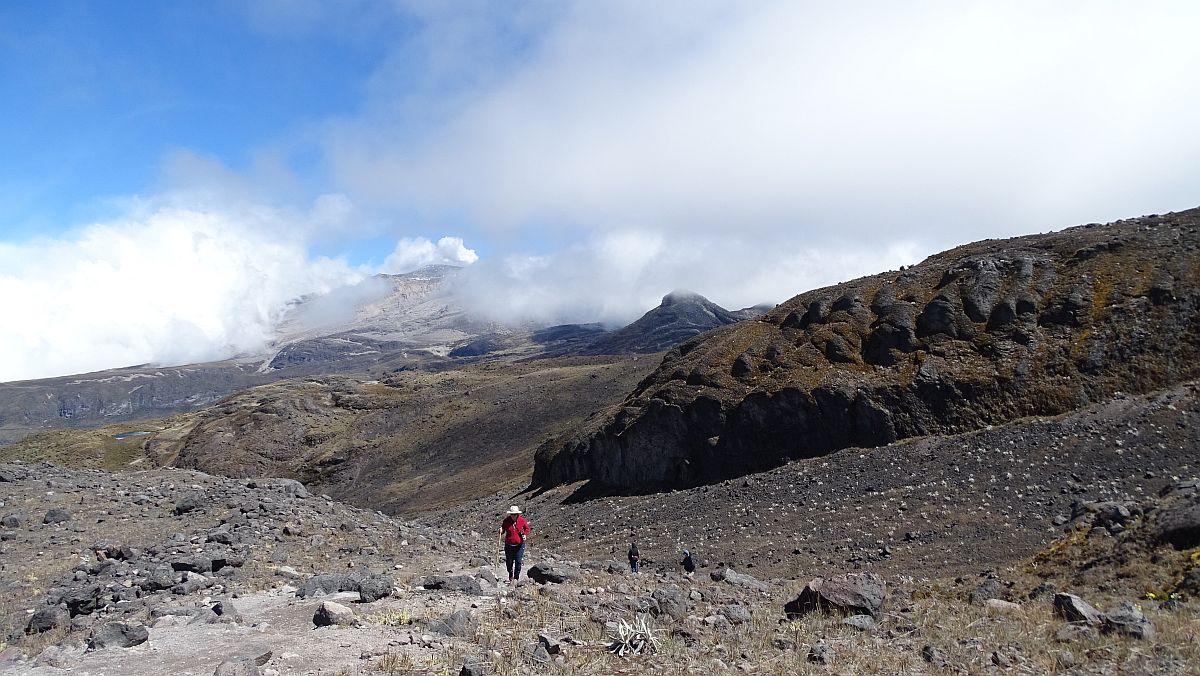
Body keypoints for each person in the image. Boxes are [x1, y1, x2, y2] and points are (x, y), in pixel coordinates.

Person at [500, 505, 531, 583]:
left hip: (519, 545)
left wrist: (525, 535)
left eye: (515, 514)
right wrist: (501, 530)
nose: (513, 516)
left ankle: (516, 578)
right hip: (509, 545)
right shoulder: (506, 521)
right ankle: (510, 574)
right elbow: (503, 530)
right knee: (509, 562)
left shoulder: (522, 520)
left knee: (518, 561)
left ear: (518, 514)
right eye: (512, 514)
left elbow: (527, 529)